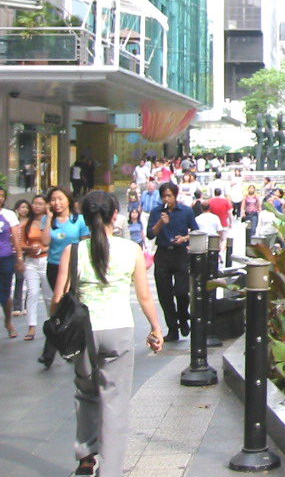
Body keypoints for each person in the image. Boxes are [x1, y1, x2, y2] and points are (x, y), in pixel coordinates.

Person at [53, 190, 163, 477]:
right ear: (116, 215)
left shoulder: (73, 251)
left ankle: (86, 457)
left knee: (86, 393)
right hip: (119, 331)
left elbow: (58, 298)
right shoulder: (131, 250)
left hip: (84, 333)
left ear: (86, 218)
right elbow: (144, 298)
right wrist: (155, 328)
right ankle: (111, 471)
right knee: (114, 402)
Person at [40, 186, 89, 368]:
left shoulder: (79, 220)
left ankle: (51, 351)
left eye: (60, 198)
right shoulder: (48, 220)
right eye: (53, 199)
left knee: (65, 307)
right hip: (54, 267)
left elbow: (85, 243)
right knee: (62, 307)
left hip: (72, 267)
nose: (56, 203)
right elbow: (45, 242)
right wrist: (49, 219)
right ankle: (64, 347)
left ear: (68, 199)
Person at [146, 182, 197, 342]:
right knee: (165, 294)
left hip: (180, 253)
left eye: (169, 195)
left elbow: (195, 231)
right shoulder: (156, 212)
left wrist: (184, 238)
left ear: (175, 195)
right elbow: (150, 234)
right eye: (164, 196)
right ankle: (172, 328)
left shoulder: (186, 211)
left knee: (182, 291)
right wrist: (161, 222)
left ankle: (183, 316)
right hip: (162, 254)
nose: (166, 199)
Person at [20, 194, 50, 341]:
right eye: (35, 203)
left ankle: (53, 324)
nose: (37, 206)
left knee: (48, 295)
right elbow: (21, 243)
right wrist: (29, 248)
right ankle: (31, 327)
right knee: (32, 293)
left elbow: (55, 241)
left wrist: (43, 250)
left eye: (40, 203)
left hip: (45, 260)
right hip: (30, 261)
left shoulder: (49, 221)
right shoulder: (27, 223)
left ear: (46, 206)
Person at [0, 188, 24, 337]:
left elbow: (16, 238)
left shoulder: (8, 215)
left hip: (6, 257)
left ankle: (8, 322)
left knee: (4, 294)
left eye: (2, 196)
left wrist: (19, 258)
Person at [10, 199, 30, 316]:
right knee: (16, 278)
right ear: (17, 208)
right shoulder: (13, 222)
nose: (25, 209)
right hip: (12, 253)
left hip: (26, 252)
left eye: (26, 207)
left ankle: (24, 306)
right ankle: (15, 306)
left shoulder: (30, 222)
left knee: (24, 279)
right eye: (22, 207)